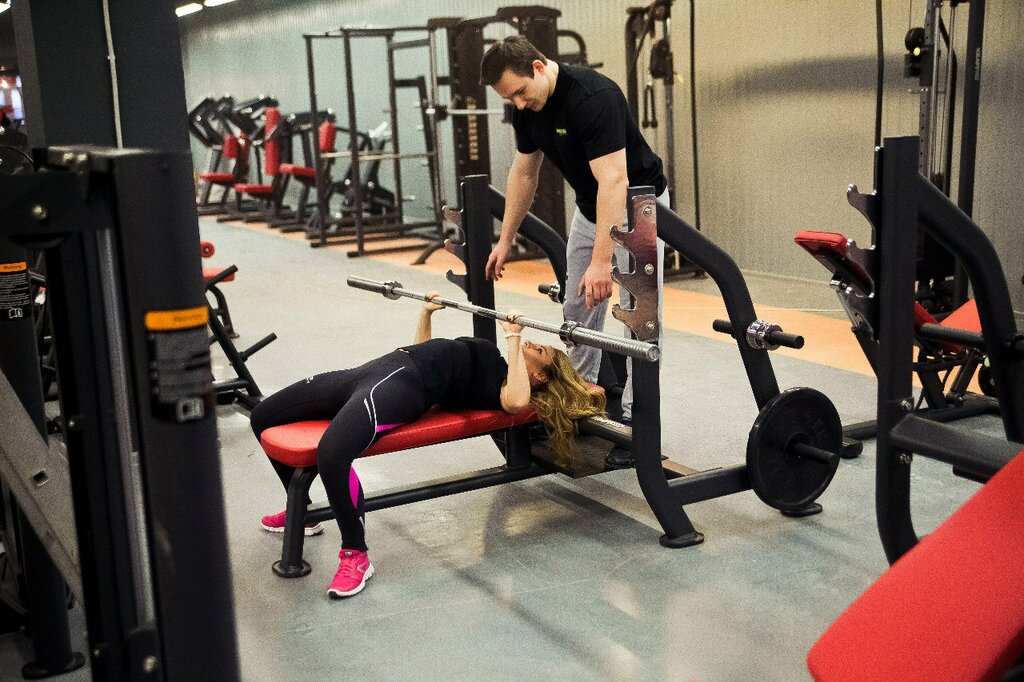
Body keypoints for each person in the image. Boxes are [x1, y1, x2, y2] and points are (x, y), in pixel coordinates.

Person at [250, 294, 605, 600]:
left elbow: (515, 402)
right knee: (263, 416)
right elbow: (423, 351)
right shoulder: (495, 361)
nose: (531, 344)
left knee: (333, 452)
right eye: (532, 343)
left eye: (538, 350)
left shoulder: (503, 388)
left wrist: (514, 337)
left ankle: (356, 554)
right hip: (371, 371)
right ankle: (305, 514)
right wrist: (426, 313)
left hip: (403, 389)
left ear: (540, 376)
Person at [480, 36, 670, 467]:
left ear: (538, 66)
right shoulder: (527, 108)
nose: (519, 104)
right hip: (591, 209)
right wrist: (505, 239)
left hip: (640, 205)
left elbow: (615, 181)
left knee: (639, 320)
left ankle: (638, 425)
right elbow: (524, 173)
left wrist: (602, 262)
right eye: (510, 99)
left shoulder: (593, 97)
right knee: (577, 309)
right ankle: (580, 400)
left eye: (520, 92)